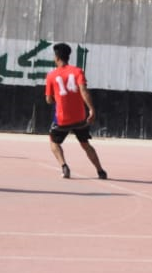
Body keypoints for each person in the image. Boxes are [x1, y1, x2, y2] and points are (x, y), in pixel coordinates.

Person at [44, 42, 107, 179]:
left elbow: (48, 100)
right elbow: (84, 91)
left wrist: (56, 97)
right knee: (85, 144)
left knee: (53, 142)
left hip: (62, 118)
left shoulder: (51, 76)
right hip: (80, 117)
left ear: (57, 57)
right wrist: (91, 109)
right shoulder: (78, 71)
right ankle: (100, 171)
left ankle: (64, 166)